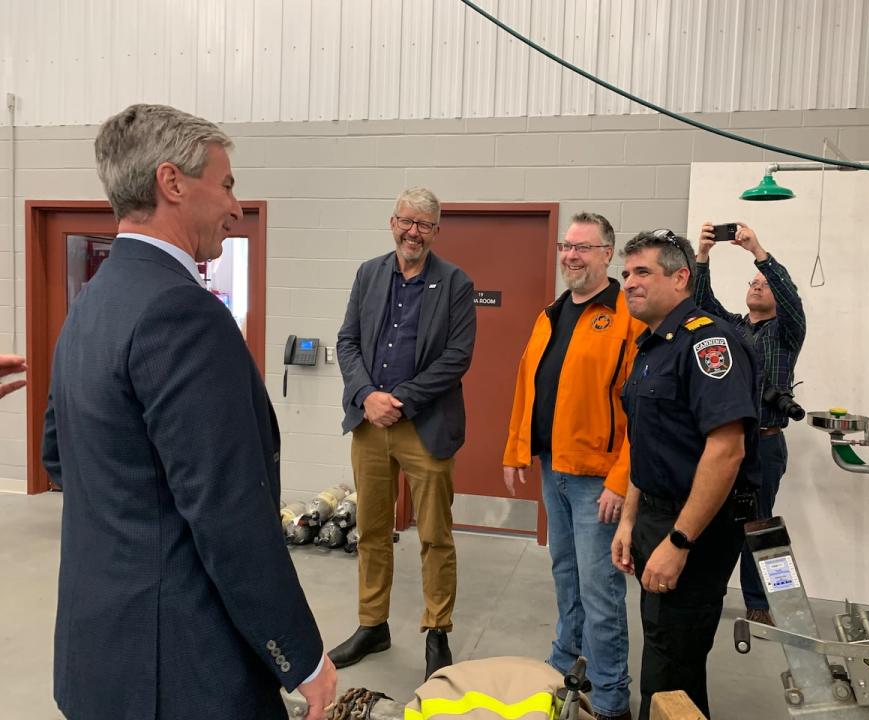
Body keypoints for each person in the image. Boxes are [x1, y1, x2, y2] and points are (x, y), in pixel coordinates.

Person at [41, 104, 336, 720]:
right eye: (226, 184)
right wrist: (301, 658)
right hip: (178, 670)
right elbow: (229, 515)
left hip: (97, 656)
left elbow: (58, 458)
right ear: (172, 182)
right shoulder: (183, 314)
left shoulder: (91, 304)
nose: (235, 206)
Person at [611, 229, 760, 720]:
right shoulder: (653, 345)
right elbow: (647, 443)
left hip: (695, 529)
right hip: (656, 518)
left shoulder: (708, 342)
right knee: (662, 649)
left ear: (680, 278)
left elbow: (726, 451)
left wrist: (677, 543)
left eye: (642, 273)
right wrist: (630, 521)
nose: (629, 283)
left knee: (673, 666)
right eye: (626, 273)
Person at [502, 212, 643, 720]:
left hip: (597, 481)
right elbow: (528, 386)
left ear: (608, 254)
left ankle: (609, 698)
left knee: (600, 590)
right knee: (565, 575)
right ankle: (566, 667)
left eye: (584, 247)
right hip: (552, 469)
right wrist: (517, 449)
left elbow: (641, 412)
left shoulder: (628, 316)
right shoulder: (551, 314)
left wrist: (620, 481)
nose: (571, 255)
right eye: (567, 245)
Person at [333, 187, 477, 681]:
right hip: (370, 425)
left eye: (424, 225)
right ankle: (373, 625)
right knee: (372, 530)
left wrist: (402, 399)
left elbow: (457, 357)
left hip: (426, 428)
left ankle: (437, 630)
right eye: (406, 221)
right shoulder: (369, 274)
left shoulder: (455, 283)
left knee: (435, 535)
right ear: (392, 222)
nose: (413, 231)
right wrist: (368, 395)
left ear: (436, 232)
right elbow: (347, 341)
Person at [694, 221, 806, 626]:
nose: (756, 285)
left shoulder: (786, 333)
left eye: (764, 283)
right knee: (712, 516)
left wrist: (758, 250)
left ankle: (759, 601)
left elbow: (791, 298)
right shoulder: (734, 329)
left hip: (767, 442)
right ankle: (708, 590)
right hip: (726, 442)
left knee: (757, 524)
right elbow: (703, 306)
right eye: (752, 281)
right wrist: (703, 256)